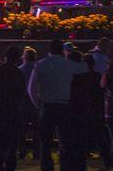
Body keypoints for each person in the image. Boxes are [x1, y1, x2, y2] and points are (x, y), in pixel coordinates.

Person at [29, 39, 79, 171]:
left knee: (45, 141)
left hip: (48, 105)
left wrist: (37, 103)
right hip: (65, 105)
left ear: (49, 50)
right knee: (66, 140)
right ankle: (66, 165)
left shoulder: (41, 64)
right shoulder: (69, 64)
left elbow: (31, 88)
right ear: (62, 50)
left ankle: (47, 166)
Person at [0, 45, 26, 171]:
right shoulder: (19, 74)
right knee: (11, 143)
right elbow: (22, 94)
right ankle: (9, 165)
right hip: (13, 111)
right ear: (17, 58)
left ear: (5, 56)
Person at [68, 54, 104, 171]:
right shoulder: (95, 76)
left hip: (77, 109)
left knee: (75, 137)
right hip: (89, 108)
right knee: (88, 134)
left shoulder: (74, 76)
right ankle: (84, 159)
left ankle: (75, 161)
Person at [18, 47, 39, 161]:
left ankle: (22, 151)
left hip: (23, 101)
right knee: (37, 129)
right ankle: (37, 152)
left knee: (22, 128)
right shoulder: (37, 69)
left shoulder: (20, 69)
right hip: (36, 101)